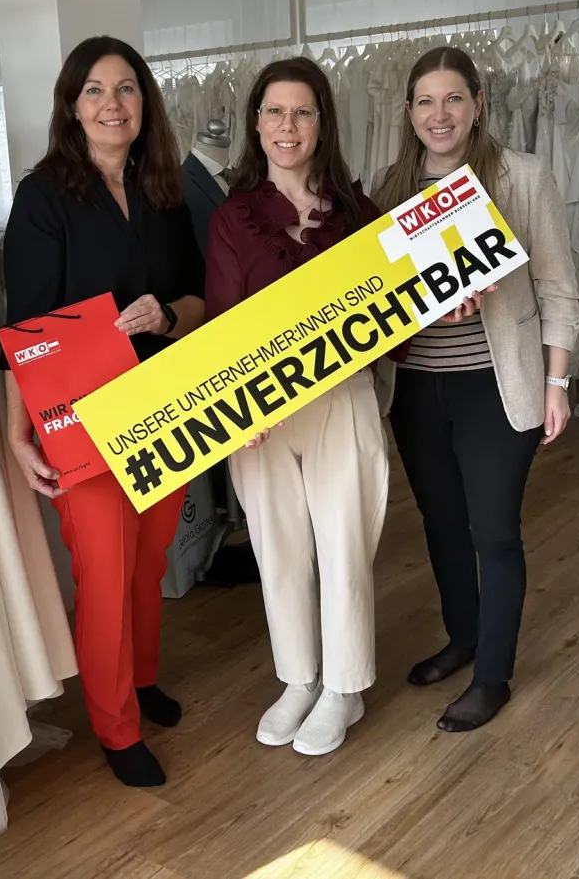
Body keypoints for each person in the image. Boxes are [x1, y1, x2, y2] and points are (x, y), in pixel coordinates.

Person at [1, 36, 206, 788]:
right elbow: (25, 326)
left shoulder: (166, 189)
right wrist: (16, 432)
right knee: (105, 568)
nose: (112, 103)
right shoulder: (44, 196)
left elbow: (198, 295)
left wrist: (169, 317)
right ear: (72, 105)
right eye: (95, 90)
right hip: (79, 416)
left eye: (125, 88)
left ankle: (142, 678)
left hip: (166, 403)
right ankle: (117, 726)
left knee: (150, 559)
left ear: (143, 101)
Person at [372, 46, 579, 732]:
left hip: (497, 385)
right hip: (417, 389)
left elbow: (557, 286)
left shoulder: (520, 177)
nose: (440, 114)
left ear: (478, 101)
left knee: (493, 531)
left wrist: (557, 382)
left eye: (453, 98)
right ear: (409, 112)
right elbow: (376, 295)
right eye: (426, 101)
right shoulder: (387, 188)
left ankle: (493, 674)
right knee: (441, 525)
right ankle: (463, 637)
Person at [206, 57, 388, 757]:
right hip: (260, 415)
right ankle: (299, 678)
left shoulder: (358, 211)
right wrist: (235, 409)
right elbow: (222, 320)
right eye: (275, 112)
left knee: (345, 542)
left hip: (340, 398)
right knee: (278, 546)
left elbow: (395, 309)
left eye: (303, 112)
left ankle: (346, 685)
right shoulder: (232, 216)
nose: (289, 126)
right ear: (256, 124)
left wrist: (450, 299)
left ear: (322, 123)